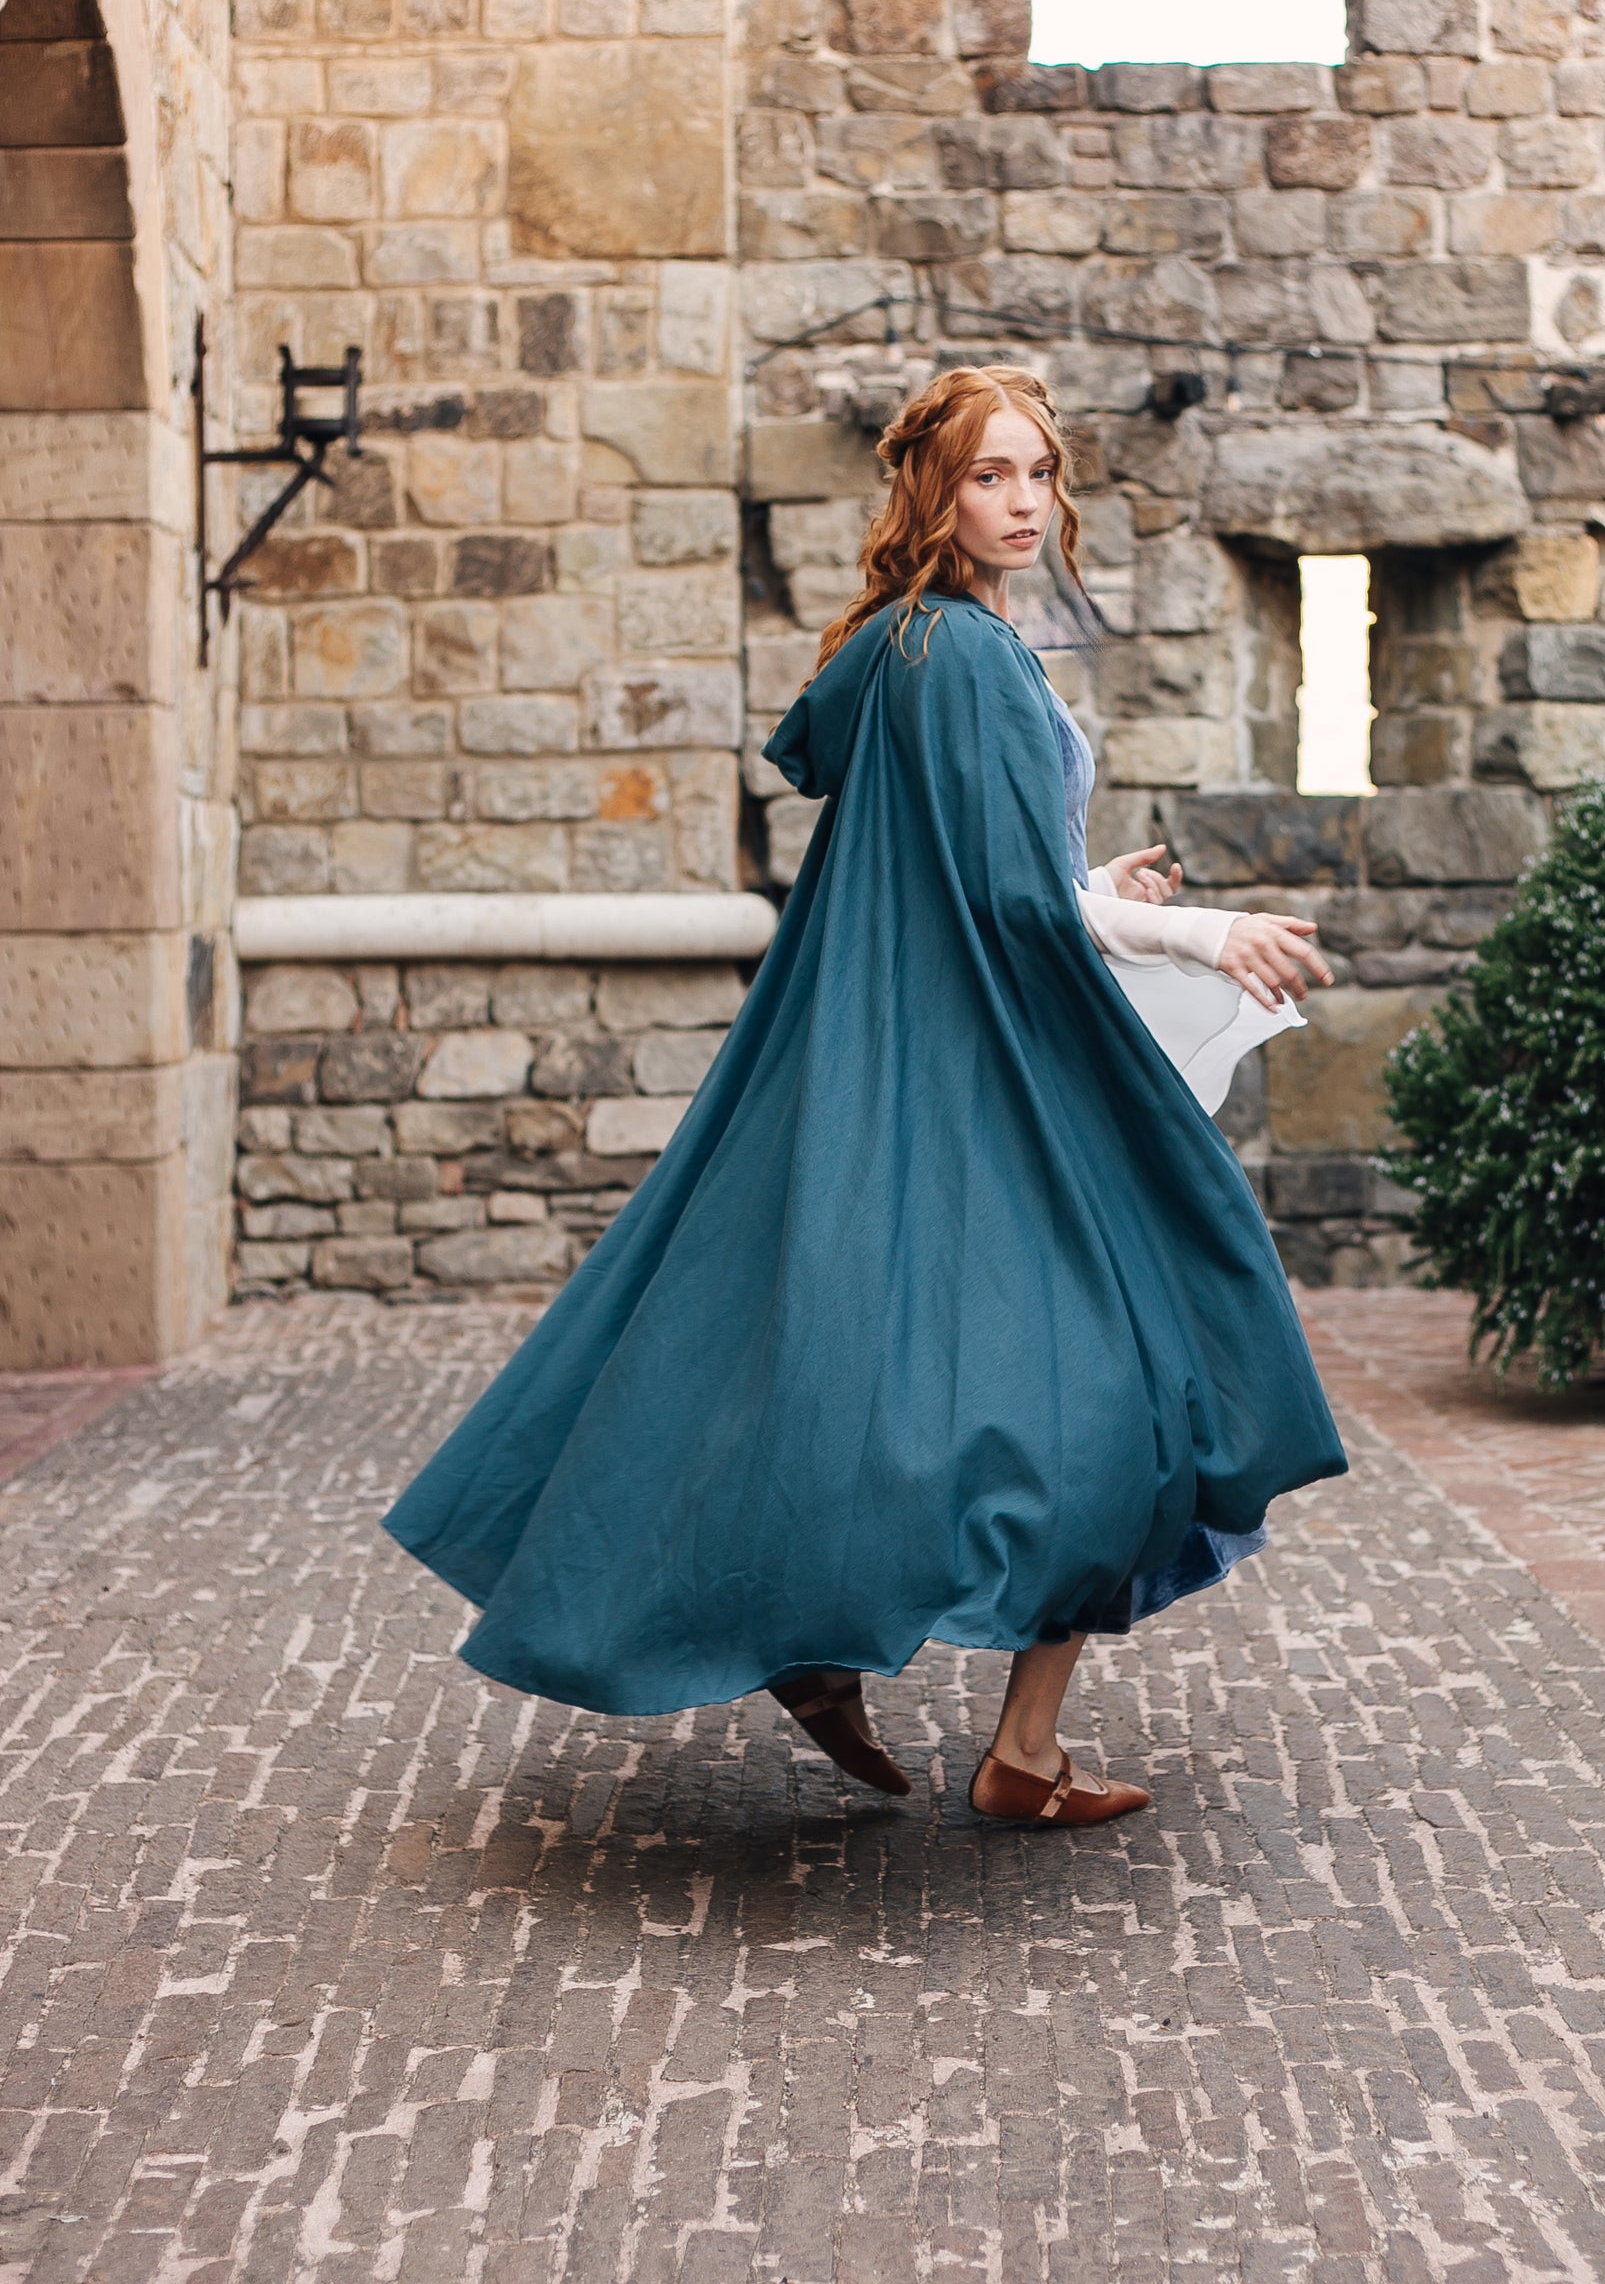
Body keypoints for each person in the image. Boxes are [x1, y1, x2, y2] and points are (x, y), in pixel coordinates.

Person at [384, 365, 1347, 1826]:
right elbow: (1004, 900)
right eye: (987, 476)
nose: (1021, 502)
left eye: (1038, 473)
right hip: (977, 1071)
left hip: (942, 1046)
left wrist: (1095, 886)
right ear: (930, 492)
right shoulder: (959, 654)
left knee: (899, 1367)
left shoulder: (910, 644)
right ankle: (934, 1707)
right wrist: (1207, 936)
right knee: (1111, 1396)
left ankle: (952, 1718)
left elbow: (975, 874)